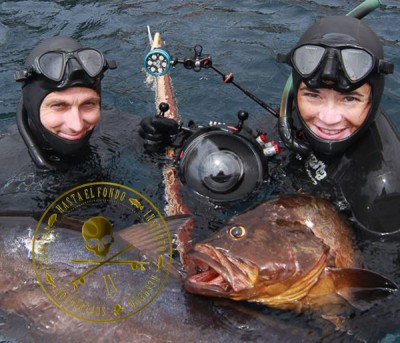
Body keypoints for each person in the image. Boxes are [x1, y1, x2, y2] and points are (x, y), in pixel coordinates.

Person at [139, 16, 400, 237]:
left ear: (374, 99)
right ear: (297, 91)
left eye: (350, 99)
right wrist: (170, 144)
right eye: (313, 95)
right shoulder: (293, 117)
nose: (328, 118)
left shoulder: (383, 193)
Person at [14, 35, 116, 170]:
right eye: (58, 106)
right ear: (32, 105)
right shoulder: (5, 162)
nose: (77, 126)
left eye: (88, 104)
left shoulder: (124, 128)